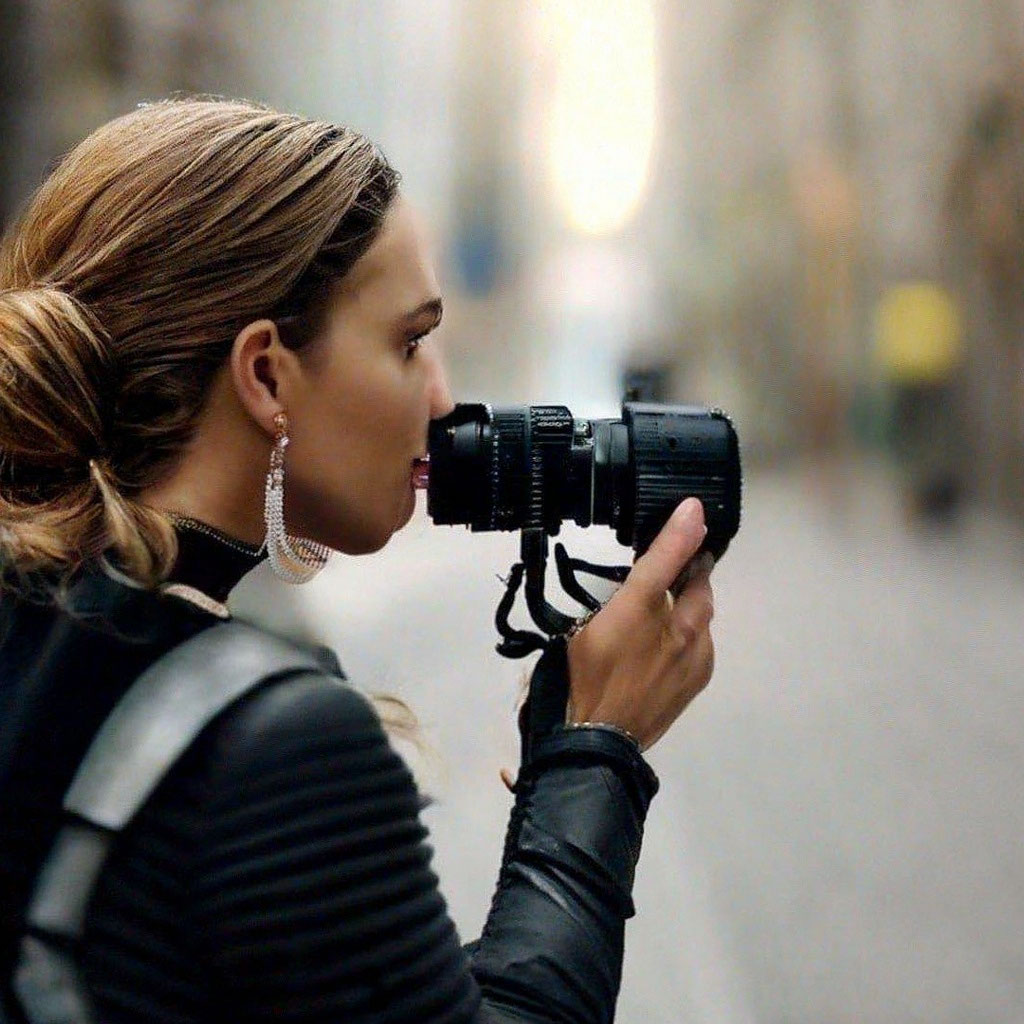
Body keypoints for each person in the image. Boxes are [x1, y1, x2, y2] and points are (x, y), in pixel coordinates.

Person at [0, 98, 716, 1023]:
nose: (444, 395)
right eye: (410, 342)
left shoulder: (41, 622)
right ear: (265, 374)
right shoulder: (279, 749)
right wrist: (597, 752)